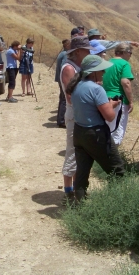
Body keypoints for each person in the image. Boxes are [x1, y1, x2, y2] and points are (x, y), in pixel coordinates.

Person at [65, 55, 125, 202]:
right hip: (96, 134)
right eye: (101, 69)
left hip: (79, 132)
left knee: (82, 173)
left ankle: (80, 203)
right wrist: (112, 104)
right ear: (94, 72)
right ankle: (117, 204)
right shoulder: (96, 89)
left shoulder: (76, 86)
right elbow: (110, 116)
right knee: (117, 170)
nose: (104, 72)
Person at [60, 36, 94, 204]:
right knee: (72, 152)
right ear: (78, 51)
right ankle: (69, 192)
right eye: (87, 50)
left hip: (81, 113)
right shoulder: (69, 68)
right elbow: (70, 95)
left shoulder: (78, 67)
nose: (89, 53)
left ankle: (76, 189)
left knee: (80, 153)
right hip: (75, 113)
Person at [102, 43, 134, 145]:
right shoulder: (124, 64)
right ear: (124, 52)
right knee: (117, 130)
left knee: (107, 128)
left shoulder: (107, 63)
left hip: (105, 99)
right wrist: (130, 101)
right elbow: (126, 83)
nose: (130, 55)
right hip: (119, 100)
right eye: (130, 53)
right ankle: (112, 157)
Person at [55, 39, 70, 127]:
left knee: (62, 99)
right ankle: (61, 121)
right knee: (64, 100)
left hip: (60, 79)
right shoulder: (65, 54)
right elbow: (64, 68)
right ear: (67, 45)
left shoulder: (62, 53)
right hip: (63, 80)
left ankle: (60, 119)